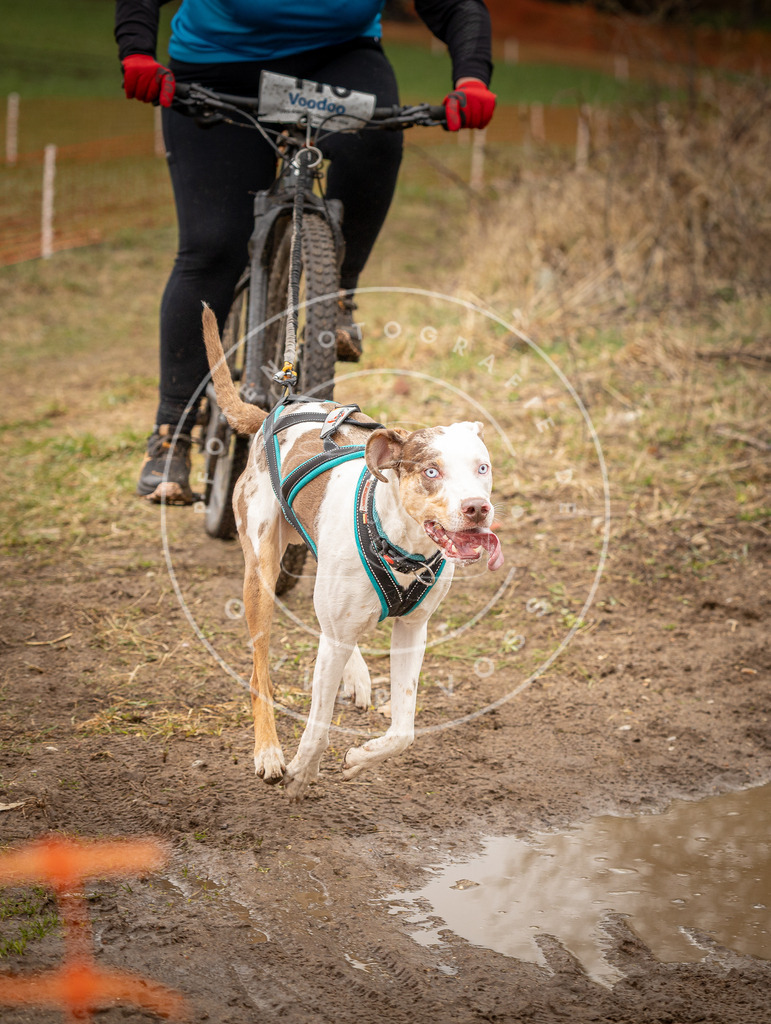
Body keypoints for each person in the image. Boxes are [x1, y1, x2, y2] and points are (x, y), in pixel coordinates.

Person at [115, 0, 496, 504]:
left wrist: (471, 78)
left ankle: (336, 292)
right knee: (212, 248)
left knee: (375, 146)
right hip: (219, 62)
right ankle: (171, 432)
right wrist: (137, 51)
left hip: (337, 59)